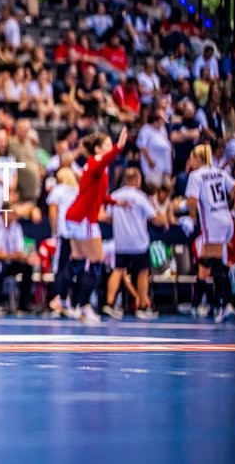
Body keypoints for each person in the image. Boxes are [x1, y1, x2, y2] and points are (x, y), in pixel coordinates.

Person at [63, 127, 128, 323]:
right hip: (84, 219)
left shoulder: (97, 166)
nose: (110, 147)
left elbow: (97, 194)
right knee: (97, 262)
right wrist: (118, 147)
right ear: (98, 149)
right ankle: (83, 306)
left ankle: (64, 300)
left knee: (78, 260)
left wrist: (116, 202)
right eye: (107, 145)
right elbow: (105, 160)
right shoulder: (96, 162)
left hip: (77, 217)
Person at [185, 144, 235, 323]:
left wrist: (192, 219)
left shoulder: (195, 175)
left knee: (216, 263)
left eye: (192, 158)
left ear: (198, 158)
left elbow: (192, 201)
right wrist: (234, 212)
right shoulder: (219, 172)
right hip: (225, 218)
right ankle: (199, 303)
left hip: (212, 222)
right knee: (205, 259)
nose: (190, 161)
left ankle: (223, 303)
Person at [103, 168, 168, 320]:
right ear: (137, 180)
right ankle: (142, 307)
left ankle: (109, 304)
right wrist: (164, 222)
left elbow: (108, 218)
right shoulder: (140, 197)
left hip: (121, 242)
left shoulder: (115, 195)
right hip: (139, 243)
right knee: (143, 273)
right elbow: (153, 218)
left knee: (118, 270)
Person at [46, 168, 79, 317]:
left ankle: (57, 300)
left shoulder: (58, 190)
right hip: (77, 234)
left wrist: (54, 231)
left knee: (60, 266)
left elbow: (52, 212)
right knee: (72, 266)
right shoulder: (77, 191)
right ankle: (66, 300)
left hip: (63, 233)